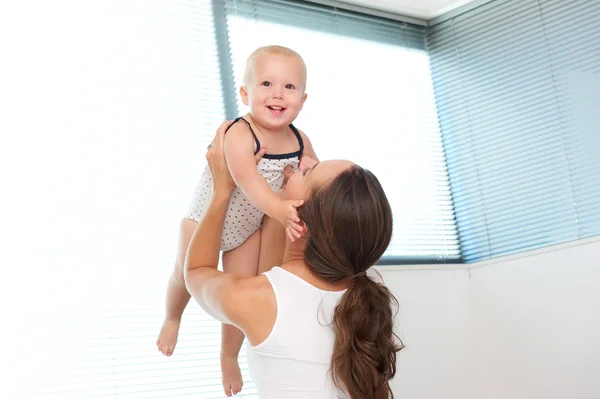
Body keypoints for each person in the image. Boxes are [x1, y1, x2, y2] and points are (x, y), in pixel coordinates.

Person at [184, 120, 404, 398]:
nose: (304, 162)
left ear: (303, 222)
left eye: (309, 170)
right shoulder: (366, 288)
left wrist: (222, 190)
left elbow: (196, 273)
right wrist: (276, 198)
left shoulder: (264, 299)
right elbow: (287, 248)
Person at [156, 45, 318, 396]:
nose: (277, 93)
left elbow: (313, 172)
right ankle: (172, 316)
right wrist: (279, 208)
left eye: (289, 88)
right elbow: (247, 180)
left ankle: (229, 354)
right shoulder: (239, 133)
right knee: (182, 275)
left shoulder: (300, 140)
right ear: (245, 93)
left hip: (245, 231)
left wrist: (306, 173)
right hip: (203, 221)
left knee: (239, 289)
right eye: (266, 84)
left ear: (303, 100)